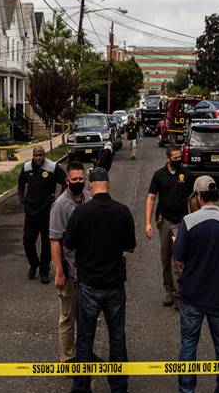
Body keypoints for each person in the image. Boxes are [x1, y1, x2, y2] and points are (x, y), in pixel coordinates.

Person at [64, 167, 136, 393]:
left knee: (85, 338)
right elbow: (130, 247)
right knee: (117, 336)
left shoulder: (81, 213)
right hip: (114, 285)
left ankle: (81, 387)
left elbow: (67, 245)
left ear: (90, 186)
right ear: (109, 184)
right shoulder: (122, 211)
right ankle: (118, 385)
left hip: (88, 285)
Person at [172, 175, 219, 393]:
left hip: (193, 295)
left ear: (198, 196)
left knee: (189, 345)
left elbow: (179, 260)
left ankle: (187, 388)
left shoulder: (188, 222)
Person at [49, 161, 92, 362]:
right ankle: (67, 359)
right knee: (67, 318)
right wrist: (59, 272)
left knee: (86, 316)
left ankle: (85, 353)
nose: (77, 182)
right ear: (67, 181)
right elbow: (55, 241)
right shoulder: (60, 206)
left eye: (81, 179)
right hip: (69, 270)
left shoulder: (90, 199)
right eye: (74, 179)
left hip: (88, 270)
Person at [145, 146, 191, 307]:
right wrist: (148, 223)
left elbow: (193, 197)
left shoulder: (186, 174)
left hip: (182, 222)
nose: (178, 160)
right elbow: (151, 198)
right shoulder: (159, 175)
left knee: (178, 259)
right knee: (166, 257)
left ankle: (180, 294)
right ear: (168, 158)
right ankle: (168, 290)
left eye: (180, 157)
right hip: (165, 221)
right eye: (175, 158)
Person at [18, 146, 66, 284]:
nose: (38, 158)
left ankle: (44, 270)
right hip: (31, 212)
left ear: (44, 155)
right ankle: (34, 264)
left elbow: (64, 182)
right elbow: (21, 183)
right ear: (33, 156)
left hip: (47, 212)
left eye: (40, 155)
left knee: (46, 243)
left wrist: (58, 199)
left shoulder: (52, 167)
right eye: (36, 155)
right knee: (28, 241)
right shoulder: (27, 167)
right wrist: (21, 198)